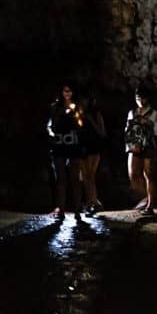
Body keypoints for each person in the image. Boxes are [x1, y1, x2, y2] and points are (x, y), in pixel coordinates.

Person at [46, 84, 84, 220]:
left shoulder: (77, 106)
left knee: (75, 178)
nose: (67, 93)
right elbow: (49, 125)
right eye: (64, 90)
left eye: (69, 90)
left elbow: (81, 125)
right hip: (59, 144)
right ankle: (61, 209)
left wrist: (75, 117)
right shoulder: (55, 107)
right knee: (60, 178)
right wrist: (52, 135)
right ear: (61, 92)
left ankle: (77, 210)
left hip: (73, 144)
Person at [125, 86, 157, 215]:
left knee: (149, 174)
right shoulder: (132, 112)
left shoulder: (155, 113)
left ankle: (150, 205)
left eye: (142, 98)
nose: (140, 101)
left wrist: (148, 123)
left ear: (148, 98)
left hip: (149, 146)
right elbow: (127, 129)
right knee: (133, 174)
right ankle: (146, 197)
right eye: (137, 98)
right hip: (135, 146)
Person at [78, 96, 107, 214]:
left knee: (89, 175)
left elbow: (102, 133)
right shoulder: (78, 114)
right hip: (82, 148)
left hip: (93, 149)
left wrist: (91, 120)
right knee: (86, 176)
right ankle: (92, 201)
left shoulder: (96, 115)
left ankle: (92, 202)